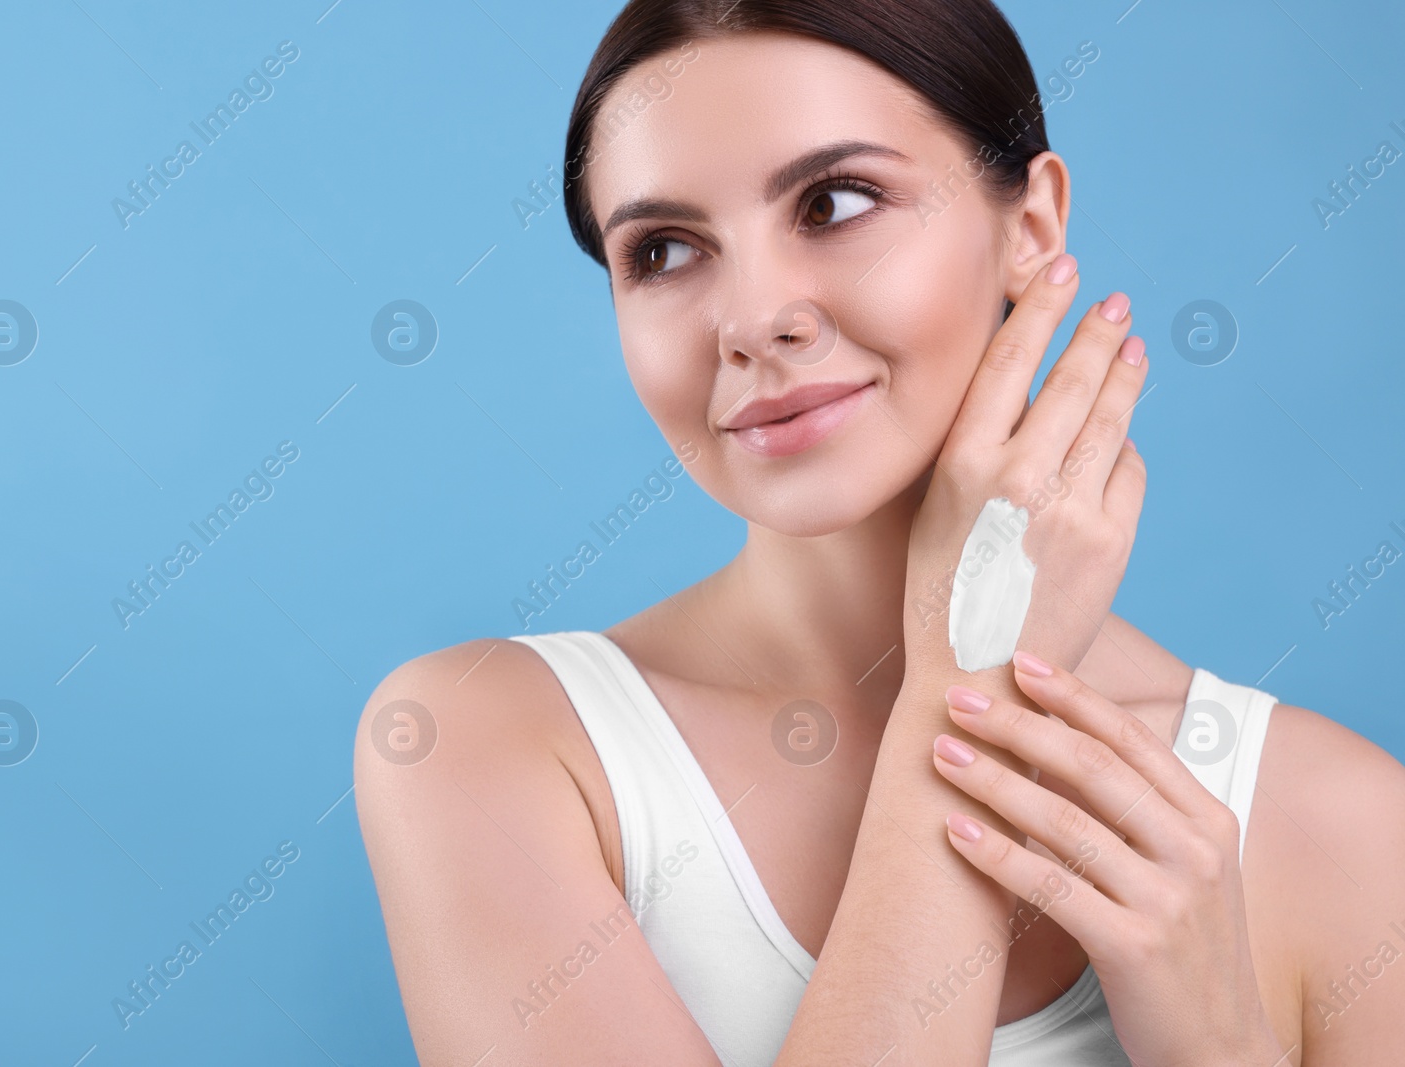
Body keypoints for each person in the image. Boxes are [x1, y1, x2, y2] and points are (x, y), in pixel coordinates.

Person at [356, 2, 1405, 1063]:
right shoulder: (491, 748)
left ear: (1030, 226)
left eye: (836, 201)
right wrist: (970, 671)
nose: (753, 317)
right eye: (665, 250)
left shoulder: (1340, 821)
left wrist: (1219, 1044)